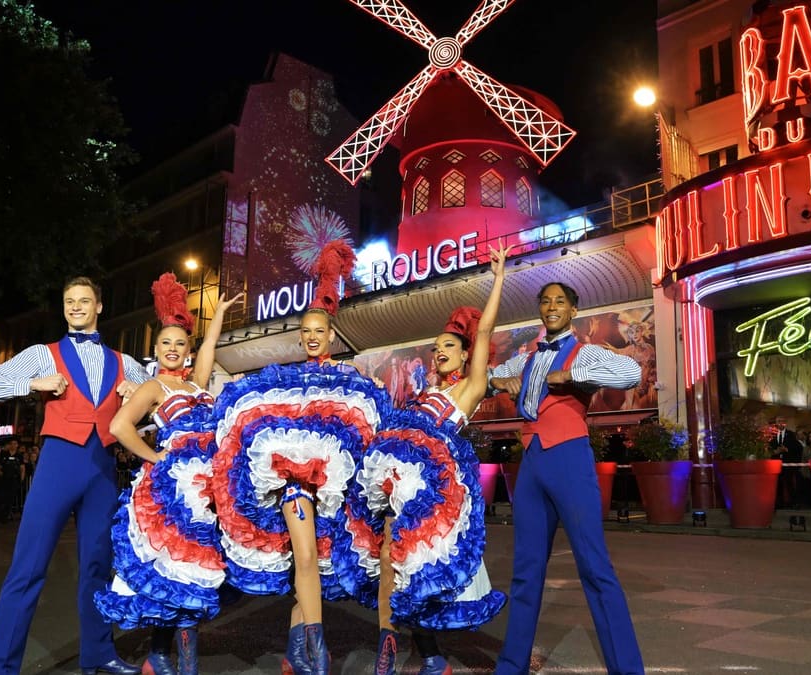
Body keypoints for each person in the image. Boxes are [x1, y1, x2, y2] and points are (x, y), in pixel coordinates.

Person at [213, 241, 387, 675]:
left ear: (331, 335)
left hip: (336, 491)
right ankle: (318, 653)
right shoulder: (285, 380)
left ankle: (296, 653)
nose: (312, 337)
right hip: (293, 483)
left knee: (317, 571)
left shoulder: (351, 378)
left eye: (319, 331)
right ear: (300, 334)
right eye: (305, 331)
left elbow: (370, 430)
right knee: (306, 559)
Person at [342, 243, 510, 675]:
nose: (439, 352)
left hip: (435, 492)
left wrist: (499, 280)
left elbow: (486, 333)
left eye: (448, 346)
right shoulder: (422, 394)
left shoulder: (467, 390)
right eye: (436, 346)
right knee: (390, 562)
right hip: (396, 486)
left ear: (466, 353)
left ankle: (427, 654)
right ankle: (396, 646)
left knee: (414, 569)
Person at [0, 276, 149, 675]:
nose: (76, 307)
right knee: (27, 568)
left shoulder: (126, 363)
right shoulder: (43, 354)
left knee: (98, 568)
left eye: (84, 301)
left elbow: (158, 410)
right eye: (70, 301)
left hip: (103, 468)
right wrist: (31, 383)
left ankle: (98, 655)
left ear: (99, 306)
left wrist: (139, 399)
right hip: (58, 465)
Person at [488, 281, 645, 675]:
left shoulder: (585, 351)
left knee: (594, 567)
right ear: (539, 310)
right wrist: (497, 381)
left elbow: (631, 372)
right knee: (525, 572)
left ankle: (627, 670)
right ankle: (512, 667)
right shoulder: (526, 357)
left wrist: (572, 373)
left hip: (570, 459)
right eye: (545, 301)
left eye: (560, 301)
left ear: (573, 310)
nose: (552, 306)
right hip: (531, 465)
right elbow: (490, 373)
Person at [96, 273, 242, 675]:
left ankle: (160, 658)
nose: (174, 349)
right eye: (166, 343)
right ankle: (177, 664)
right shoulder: (153, 386)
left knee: (184, 573)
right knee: (180, 570)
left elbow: (210, 348)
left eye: (180, 343)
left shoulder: (196, 384)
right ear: (156, 349)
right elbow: (119, 427)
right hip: (174, 491)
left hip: (206, 487)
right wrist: (156, 457)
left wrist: (218, 318)